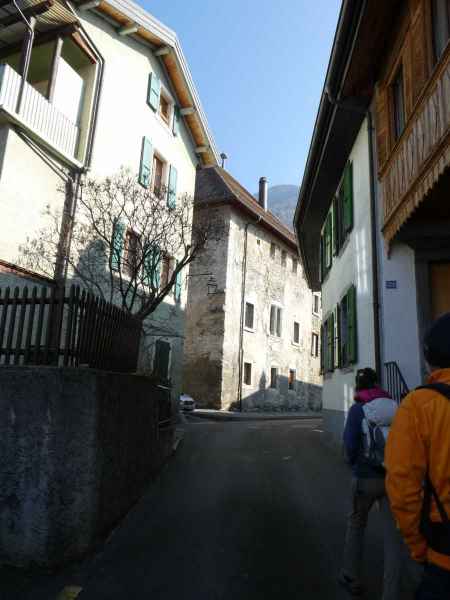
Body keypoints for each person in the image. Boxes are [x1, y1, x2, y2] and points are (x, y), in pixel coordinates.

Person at [385, 313, 450, 599]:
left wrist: (418, 547)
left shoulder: (418, 405)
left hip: (444, 555)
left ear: (428, 358)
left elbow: (402, 488)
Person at [339, 367, 401, 598]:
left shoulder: (358, 409)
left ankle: (351, 576)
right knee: (393, 538)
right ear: (377, 384)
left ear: (358, 385)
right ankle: (391, 592)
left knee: (356, 525)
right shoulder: (394, 406)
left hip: (365, 478)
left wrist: (353, 465)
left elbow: (350, 446)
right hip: (392, 478)